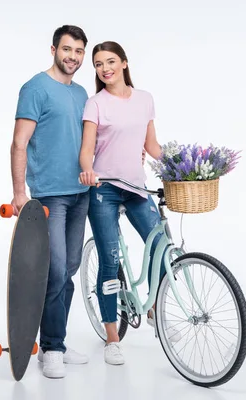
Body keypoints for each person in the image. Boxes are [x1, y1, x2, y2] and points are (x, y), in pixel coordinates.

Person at [78, 41, 180, 366]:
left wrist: (180, 167)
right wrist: (87, 170)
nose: (104, 68)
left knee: (161, 248)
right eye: (97, 64)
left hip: (136, 188)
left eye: (110, 61)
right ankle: (112, 337)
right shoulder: (95, 104)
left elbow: (152, 146)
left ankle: (153, 311)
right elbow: (86, 149)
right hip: (103, 190)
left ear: (124, 63)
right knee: (110, 262)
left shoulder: (145, 99)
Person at [10, 25, 91, 379]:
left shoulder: (82, 92)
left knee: (69, 270)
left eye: (79, 51)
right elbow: (18, 143)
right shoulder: (35, 89)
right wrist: (18, 192)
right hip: (49, 196)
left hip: (81, 194)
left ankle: (52, 340)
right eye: (67, 49)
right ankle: (52, 348)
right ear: (54, 49)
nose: (72, 56)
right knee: (55, 271)